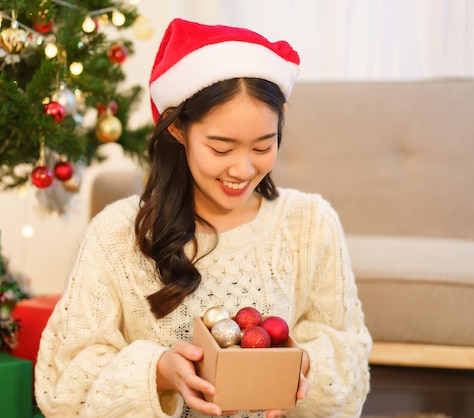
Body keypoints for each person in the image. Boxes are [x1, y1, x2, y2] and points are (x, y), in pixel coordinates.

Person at [35, 18, 372, 418]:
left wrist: (305, 366)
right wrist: (157, 373)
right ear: (178, 129)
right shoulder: (116, 234)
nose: (243, 170)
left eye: (263, 146)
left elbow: (350, 363)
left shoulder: (311, 224)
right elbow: (63, 386)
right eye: (221, 148)